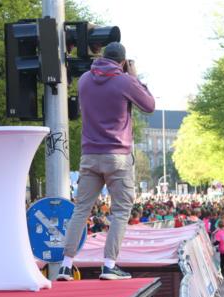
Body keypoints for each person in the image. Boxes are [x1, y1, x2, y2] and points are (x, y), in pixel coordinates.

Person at [58, 42, 155, 281]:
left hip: (90, 155)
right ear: (122, 62)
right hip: (117, 156)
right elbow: (149, 106)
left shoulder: (84, 80)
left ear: (102, 56)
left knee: (81, 210)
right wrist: (135, 77)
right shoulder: (125, 81)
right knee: (121, 211)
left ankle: (65, 265)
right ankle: (109, 265)